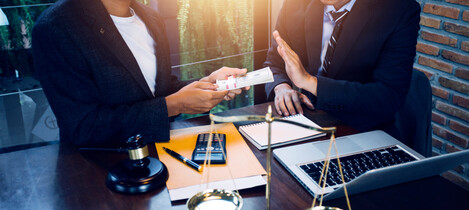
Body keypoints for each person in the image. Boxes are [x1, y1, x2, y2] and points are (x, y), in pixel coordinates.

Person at [32, 0, 247, 146]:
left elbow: (158, 90)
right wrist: (175, 105)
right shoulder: (56, 27)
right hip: (98, 177)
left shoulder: (151, 18)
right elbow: (84, 127)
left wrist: (207, 84)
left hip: (159, 158)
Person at [264, 0, 420, 136]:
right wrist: (281, 88)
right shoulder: (295, 4)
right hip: (307, 123)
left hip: (364, 130)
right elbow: (274, 63)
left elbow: (389, 97)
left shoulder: (399, 10)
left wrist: (310, 82)